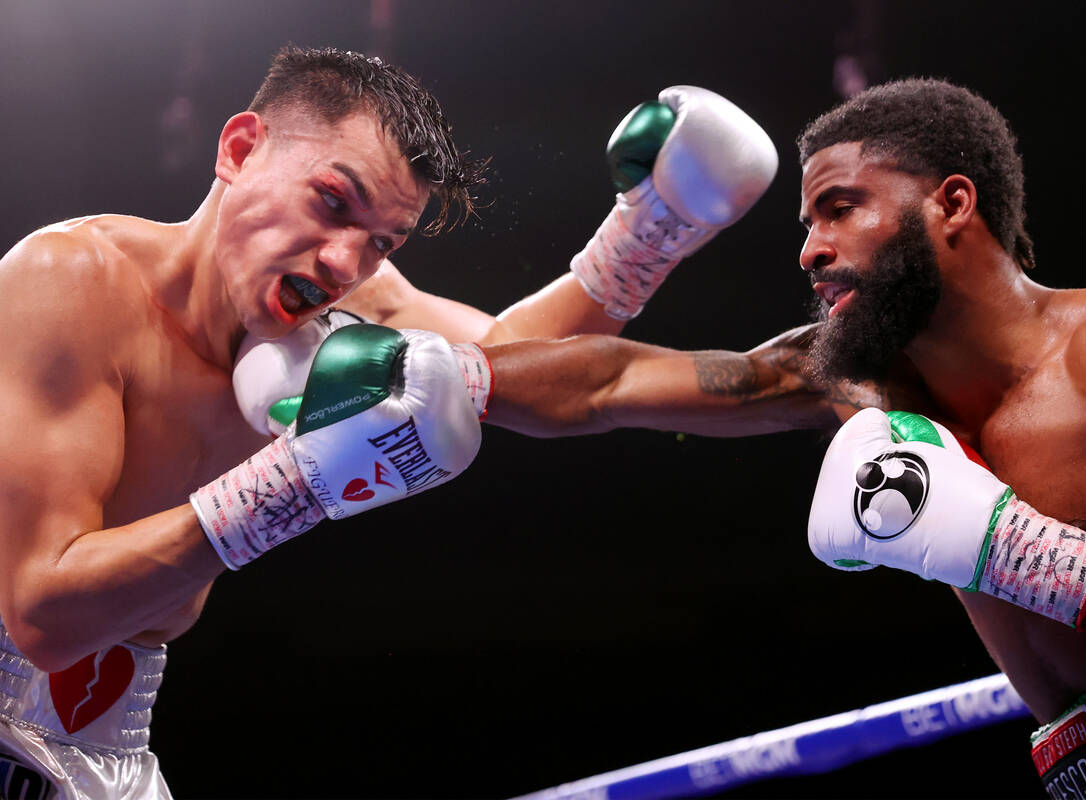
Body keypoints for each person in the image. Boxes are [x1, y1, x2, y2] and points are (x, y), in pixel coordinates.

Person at [354, 77, 1086, 799]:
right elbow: (612, 380)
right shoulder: (856, 376)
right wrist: (449, 378)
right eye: (806, 223)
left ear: (952, 203)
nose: (809, 251)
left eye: (840, 210)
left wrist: (1003, 549)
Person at [0, 43, 776, 799]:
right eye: (331, 202)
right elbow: (45, 618)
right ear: (240, 148)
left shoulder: (339, 302)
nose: (344, 263)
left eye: (381, 243)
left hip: (113, 756)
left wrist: (645, 235)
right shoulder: (74, 282)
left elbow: (514, 365)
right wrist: (294, 486)